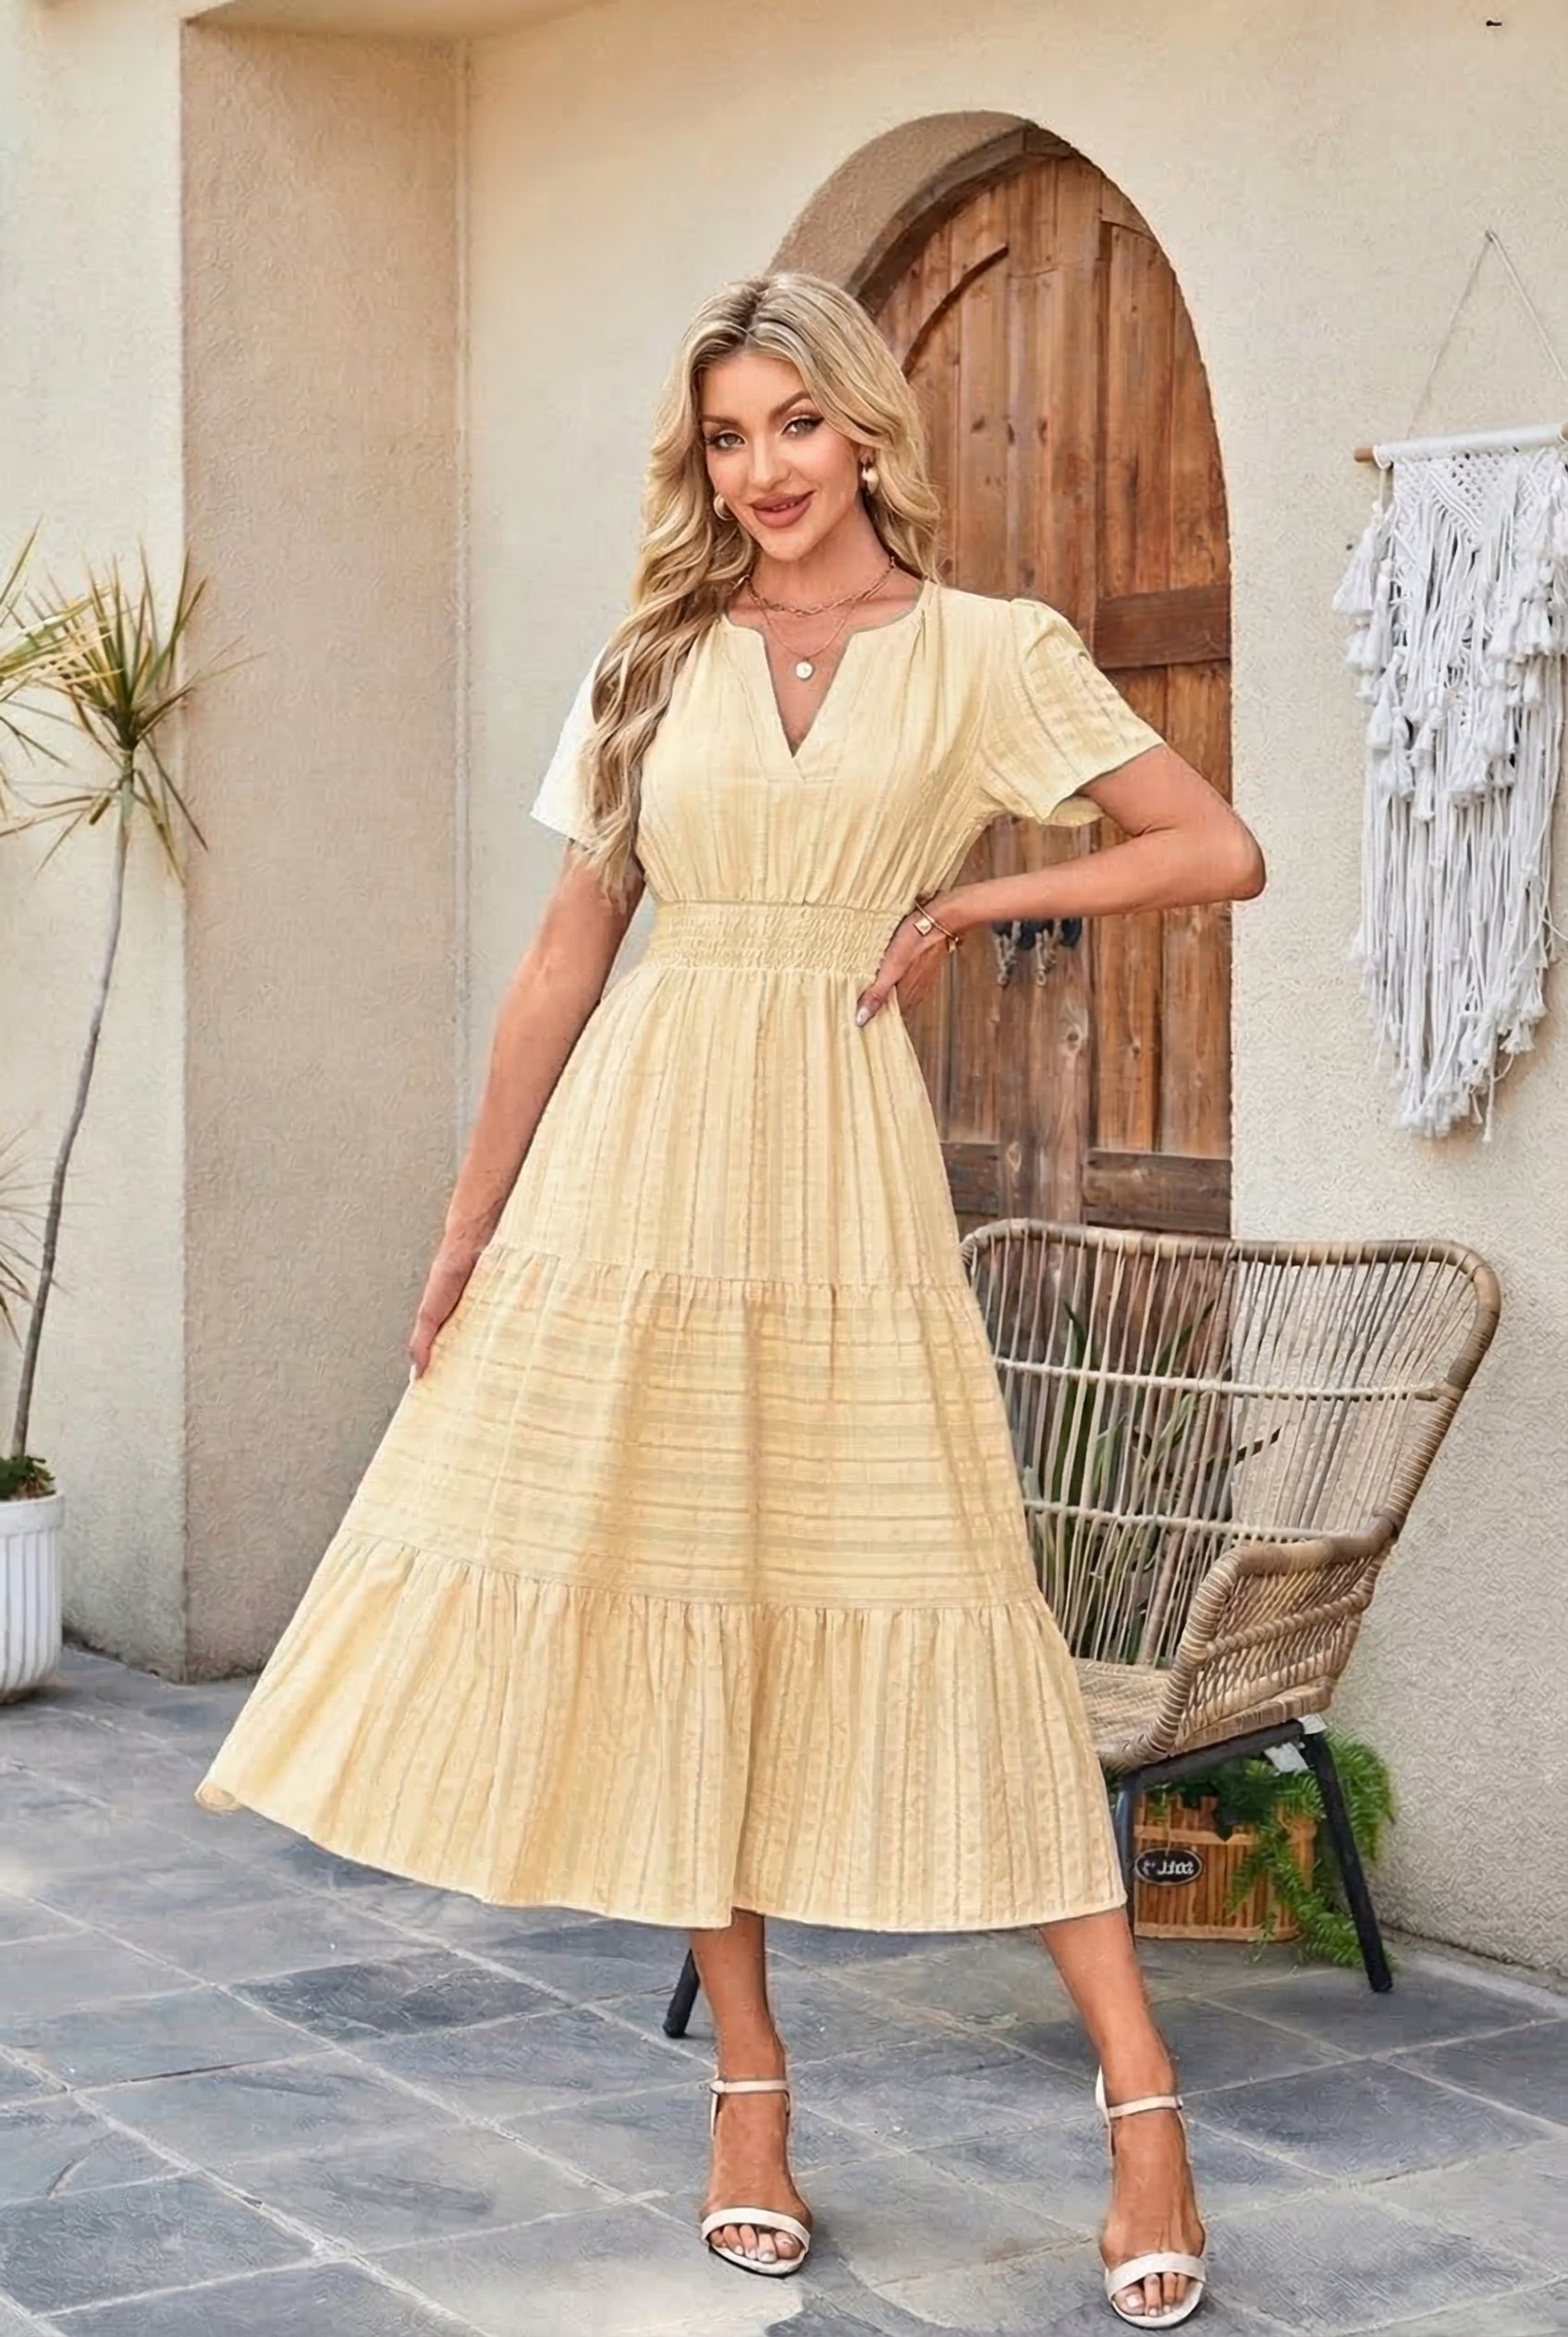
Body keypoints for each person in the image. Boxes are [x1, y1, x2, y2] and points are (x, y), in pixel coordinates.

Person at [199, 270, 1265, 2329]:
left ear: (862, 426)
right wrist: (463, 1222)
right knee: (698, 1597)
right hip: (635, 1171)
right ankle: (750, 2097)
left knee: (952, 1592)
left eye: (793, 424)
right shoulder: (646, 661)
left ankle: (1141, 2102)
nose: (762, 469)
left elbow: (1207, 847)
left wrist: (972, 891)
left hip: (841, 1179)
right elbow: (559, 960)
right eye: (725, 437)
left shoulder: (982, 652)